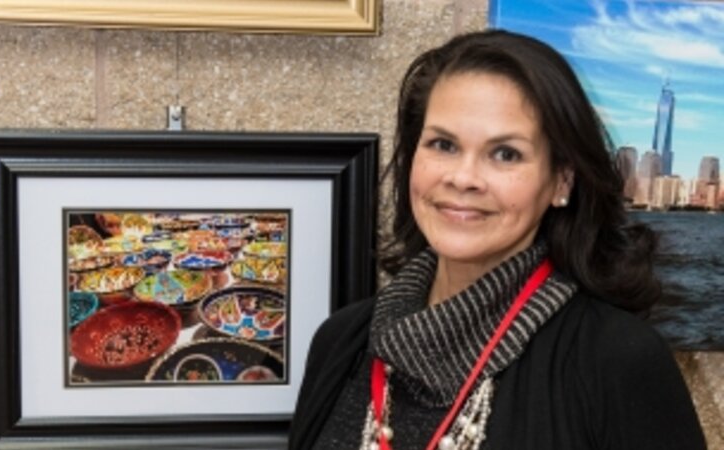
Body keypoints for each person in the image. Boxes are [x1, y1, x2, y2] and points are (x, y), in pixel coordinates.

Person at [288, 29, 706, 450]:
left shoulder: (618, 359)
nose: (463, 178)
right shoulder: (340, 342)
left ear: (561, 180)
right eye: (443, 144)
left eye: (505, 153)